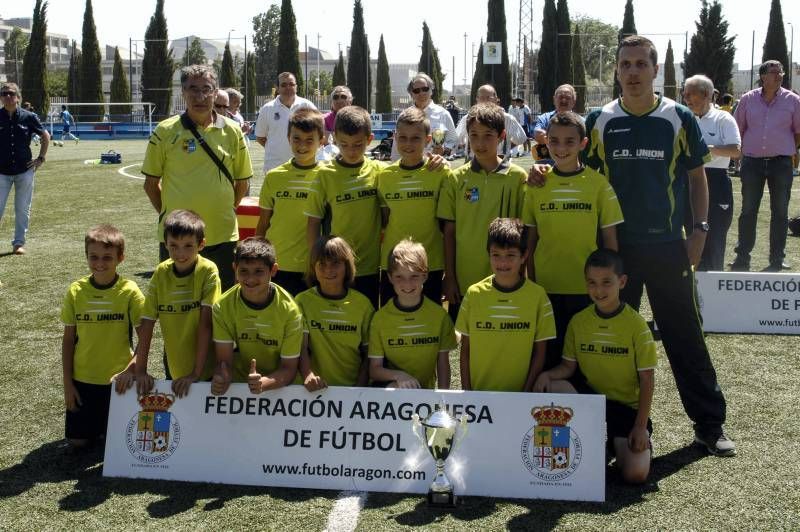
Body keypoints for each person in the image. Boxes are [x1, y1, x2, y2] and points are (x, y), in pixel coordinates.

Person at [528, 35, 734, 456]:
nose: (633, 71)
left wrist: (700, 230)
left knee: (684, 334)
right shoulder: (600, 120)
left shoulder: (678, 116)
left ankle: (709, 425)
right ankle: (618, 427)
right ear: (617, 70)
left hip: (667, 248)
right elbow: (577, 167)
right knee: (605, 339)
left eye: (642, 64)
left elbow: (698, 177)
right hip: (614, 251)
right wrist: (541, 171)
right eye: (626, 64)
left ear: (656, 70)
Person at [534, 249, 656, 484]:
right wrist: (547, 375)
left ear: (622, 282)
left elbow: (647, 380)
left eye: (606, 282)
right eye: (592, 283)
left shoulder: (637, 326)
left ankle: (617, 444)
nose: (599, 290)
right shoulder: (579, 321)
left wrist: (640, 426)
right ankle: (592, 441)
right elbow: (568, 368)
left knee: (635, 474)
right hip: (591, 405)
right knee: (552, 386)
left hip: (624, 409)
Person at [523, 111, 623, 370]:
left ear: (583, 144)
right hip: (547, 288)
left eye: (569, 141)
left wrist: (609, 288)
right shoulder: (537, 184)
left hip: (587, 289)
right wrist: (532, 284)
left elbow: (611, 244)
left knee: (584, 362)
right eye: (554, 141)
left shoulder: (599, 185)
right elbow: (530, 242)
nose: (561, 148)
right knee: (549, 359)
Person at [142, 64, 253, 291]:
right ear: (182, 92)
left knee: (221, 305)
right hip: (177, 238)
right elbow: (151, 185)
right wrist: (170, 214)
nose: (200, 96)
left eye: (206, 89)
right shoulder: (164, 131)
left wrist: (227, 208)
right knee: (176, 302)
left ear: (215, 92)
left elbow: (243, 182)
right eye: (192, 88)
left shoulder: (232, 131)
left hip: (222, 234)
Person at [114, 210, 221, 398]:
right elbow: (147, 324)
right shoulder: (161, 272)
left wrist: (195, 373)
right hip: (177, 367)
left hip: (207, 371)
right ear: (165, 244)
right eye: (174, 246)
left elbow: (206, 325)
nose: (181, 253)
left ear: (201, 244)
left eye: (188, 246)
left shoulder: (208, 270)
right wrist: (140, 370)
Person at [438, 103, 528, 321]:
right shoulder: (455, 178)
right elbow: (448, 232)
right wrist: (449, 276)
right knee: (466, 344)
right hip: (464, 278)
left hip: (506, 276)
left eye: (488, 135)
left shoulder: (518, 178)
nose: (480, 143)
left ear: (502, 136)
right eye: (474, 135)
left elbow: (526, 232)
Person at [61, 225, 144, 449]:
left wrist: (132, 368)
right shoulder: (75, 291)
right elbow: (68, 340)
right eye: (93, 257)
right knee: (78, 443)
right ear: (86, 256)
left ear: (121, 258)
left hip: (118, 381)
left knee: (117, 443)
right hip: (83, 380)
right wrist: (68, 384)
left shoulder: (129, 290)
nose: (99, 263)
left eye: (107, 257)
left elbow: (144, 338)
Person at [456, 218, 556, 392]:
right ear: (488, 254)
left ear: (524, 256)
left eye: (510, 255)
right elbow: (465, 350)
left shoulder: (538, 296)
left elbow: (540, 353)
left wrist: (525, 393)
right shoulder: (473, 294)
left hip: (519, 395)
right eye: (496, 255)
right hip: (479, 395)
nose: (503, 263)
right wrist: (467, 394)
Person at [304, 105, 384, 308]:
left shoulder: (379, 171)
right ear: (334, 139)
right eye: (344, 144)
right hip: (336, 268)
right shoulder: (325, 175)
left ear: (369, 139)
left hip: (370, 268)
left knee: (366, 322)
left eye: (358, 144)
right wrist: (315, 264)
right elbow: (313, 222)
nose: (351, 151)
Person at [730, 60, 800, 272]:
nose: (779, 75)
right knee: (749, 210)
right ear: (762, 76)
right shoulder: (747, 100)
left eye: (780, 72)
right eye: (773, 72)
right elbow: (738, 129)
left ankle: (777, 258)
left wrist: (784, 147)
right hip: (752, 162)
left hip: (781, 163)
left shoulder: (794, 100)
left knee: (780, 211)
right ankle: (742, 257)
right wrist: (740, 155)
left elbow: (798, 132)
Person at [210, 237, 303, 396]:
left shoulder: (291, 311)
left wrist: (264, 383)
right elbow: (224, 362)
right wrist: (222, 376)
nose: (250, 279)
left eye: (258, 271)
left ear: (273, 270)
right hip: (241, 388)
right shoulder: (222, 306)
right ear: (234, 268)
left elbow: (289, 369)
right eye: (243, 271)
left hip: (282, 391)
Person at [377, 107, 450, 305]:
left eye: (415, 138)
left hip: (430, 263)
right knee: (392, 321)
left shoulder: (440, 173)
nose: (408, 144)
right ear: (395, 137)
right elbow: (384, 220)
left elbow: (447, 223)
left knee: (429, 325)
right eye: (403, 137)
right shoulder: (383, 176)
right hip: (393, 264)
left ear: (428, 140)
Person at [256, 108, 325, 296]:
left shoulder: (327, 177)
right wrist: (258, 258)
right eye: (296, 139)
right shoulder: (274, 176)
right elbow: (263, 223)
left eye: (309, 139)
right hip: (278, 264)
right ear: (288, 138)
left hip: (313, 266)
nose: (302, 145)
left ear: (322, 141)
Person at [369, 239, 456, 389]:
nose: (407, 284)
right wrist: (399, 376)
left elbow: (443, 363)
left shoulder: (439, 317)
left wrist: (443, 400)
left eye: (414, 276)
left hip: (424, 393)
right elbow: (374, 370)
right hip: (390, 389)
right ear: (389, 277)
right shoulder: (380, 319)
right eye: (399, 277)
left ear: (425, 276)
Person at [296, 236, 374, 391]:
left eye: (335, 263)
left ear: (347, 266)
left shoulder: (363, 305)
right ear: (313, 267)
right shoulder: (302, 301)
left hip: (352, 389)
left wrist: (359, 389)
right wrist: (308, 375)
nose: (328, 270)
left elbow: (369, 355)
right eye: (322, 264)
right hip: (314, 390)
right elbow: (301, 348)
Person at [682, 75, 741, 272]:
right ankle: (692, 292)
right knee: (692, 237)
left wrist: (706, 149)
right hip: (688, 182)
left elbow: (736, 150)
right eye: (684, 94)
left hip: (716, 182)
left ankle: (714, 295)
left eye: (690, 94)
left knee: (714, 240)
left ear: (706, 94)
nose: (686, 98)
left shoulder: (723, 118)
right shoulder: (684, 119)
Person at [0, 82, 49, 255]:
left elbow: (45, 135)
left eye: (11, 93)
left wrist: (41, 158)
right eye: (4, 93)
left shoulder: (29, 117)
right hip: (2, 172)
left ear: (18, 97)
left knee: (22, 209)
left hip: (24, 171)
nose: (7, 96)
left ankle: (18, 243)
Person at [255, 72, 317, 173]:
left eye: (291, 84)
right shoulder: (267, 109)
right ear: (277, 88)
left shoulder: (308, 106)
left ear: (296, 87)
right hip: (275, 167)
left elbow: (317, 132)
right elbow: (260, 137)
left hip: (304, 165)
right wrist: (277, 148)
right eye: (284, 85)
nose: (288, 87)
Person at [390, 73, 457, 160]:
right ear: (411, 94)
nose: (421, 93)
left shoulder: (443, 113)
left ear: (431, 90)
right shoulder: (404, 115)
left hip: (435, 167)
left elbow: (453, 141)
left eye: (425, 89)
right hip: (409, 167)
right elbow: (397, 145)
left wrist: (444, 150)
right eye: (416, 91)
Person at [455, 85, 527, 160]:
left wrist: (506, 147)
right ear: (477, 99)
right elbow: (456, 138)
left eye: (489, 97)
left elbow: (521, 138)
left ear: (496, 99)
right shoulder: (467, 118)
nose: (485, 101)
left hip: (500, 164)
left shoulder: (507, 118)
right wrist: (468, 146)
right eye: (482, 98)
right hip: (473, 163)